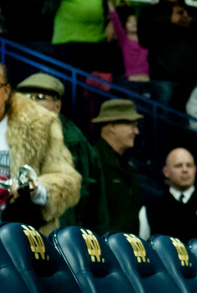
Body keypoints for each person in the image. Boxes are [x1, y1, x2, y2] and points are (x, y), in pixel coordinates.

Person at [0, 64, 81, 235]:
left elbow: (68, 180)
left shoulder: (40, 123)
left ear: (6, 91)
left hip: (27, 238)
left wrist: (36, 188)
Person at [15, 72, 101, 229]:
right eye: (26, 96)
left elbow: (92, 195)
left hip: (61, 230)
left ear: (57, 106)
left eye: (40, 97)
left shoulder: (75, 140)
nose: (31, 102)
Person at [92, 99, 145, 234]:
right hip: (103, 249)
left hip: (126, 249)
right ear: (113, 125)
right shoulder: (94, 159)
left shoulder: (125, 163)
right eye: (132, 126)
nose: (136, 131)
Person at [138, 147, 197, 242]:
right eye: (178, 166)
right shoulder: (151, 209)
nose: (185, 170)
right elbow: (143, 247)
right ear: (166, 172)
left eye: (189, 165)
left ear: (195, 169)